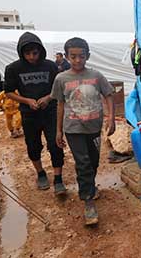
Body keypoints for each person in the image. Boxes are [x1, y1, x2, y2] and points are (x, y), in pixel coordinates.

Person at [52, 37, 115, 226]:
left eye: (81, 56)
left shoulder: (96, 76)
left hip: (94, 127)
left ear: (88, 55)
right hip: (73, 129)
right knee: (83, 162)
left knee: (94, 162)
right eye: (73, 56)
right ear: (67, 57)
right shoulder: (61, 78)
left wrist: (111, 118)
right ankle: (88, 202)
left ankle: (90, 186)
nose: (78, 60)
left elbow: (109, 95)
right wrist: (58, 131)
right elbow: (60, 105)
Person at [4, 32, 66, 194]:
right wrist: (27, 101)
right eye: (27, 53)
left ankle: (58, 178)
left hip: (50, 112)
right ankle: (40, 173)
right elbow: (9, 92)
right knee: (33, 145)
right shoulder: (13, 69)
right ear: (21, 53)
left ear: (41, 51)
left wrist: (47, 98)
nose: (32, 57)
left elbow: (58, 88)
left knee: (55, 143)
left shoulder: (51, 67)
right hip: (29, 113)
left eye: (35, 53)